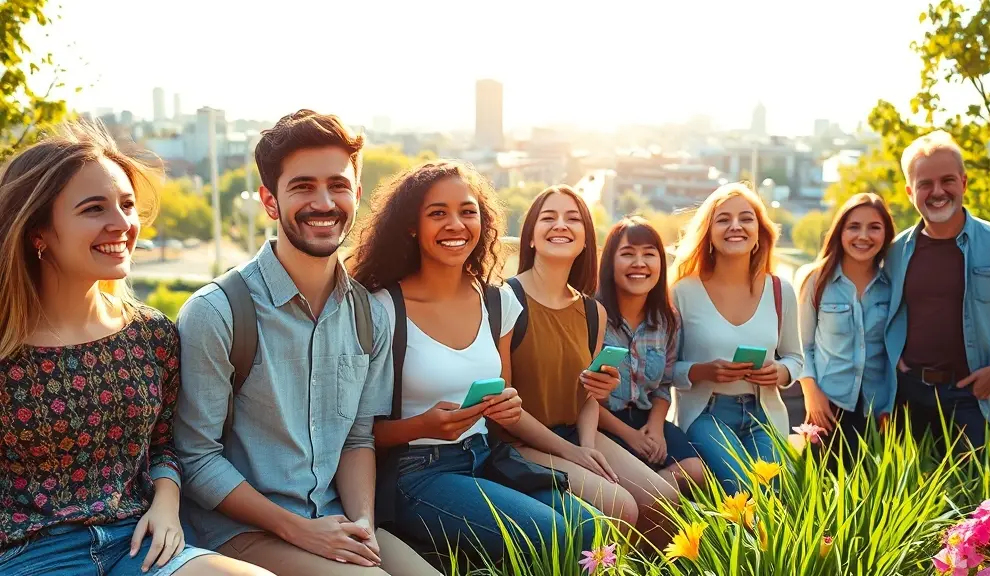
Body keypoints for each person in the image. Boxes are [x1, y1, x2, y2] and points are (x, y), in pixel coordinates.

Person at [173, 110, 436, 575]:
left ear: (356, 194)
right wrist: (298, 530)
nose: (323, 202)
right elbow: (196, 459)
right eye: (302, 187)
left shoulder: (369, 314)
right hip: (241, 533)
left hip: (333, 517)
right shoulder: (217, 312)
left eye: (337, 185)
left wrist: (363, 525)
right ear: (270, 201)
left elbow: (357, 438)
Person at [0, 122, 267, 576]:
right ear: (38, 232)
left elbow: (164, 445)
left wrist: (166, 502)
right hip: (29, 555)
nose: (122, 224)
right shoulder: (7, 349)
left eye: (126, 205)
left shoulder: (152, 335)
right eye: (93, 208)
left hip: (140, 540)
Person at [348, 161, 598, 563]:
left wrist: (513, 409)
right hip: (417, 471)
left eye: (467, 211)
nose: (455, 224)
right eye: (437, 213)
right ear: (412, 226)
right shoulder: (383, 309)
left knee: (591, 529)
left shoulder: (497, 302)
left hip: (487, 456)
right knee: (549, 534)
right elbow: (357, 434)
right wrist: (423, 425)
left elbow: (503, 407)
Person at [502, 185, 680, 547]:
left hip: (575, 434)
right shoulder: (505, 298)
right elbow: (504, 411)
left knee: (666, 502)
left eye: (572, 218)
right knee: (620, 506)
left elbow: (588, 395)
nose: (560, 225)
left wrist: (587, 444)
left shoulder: (591, 311)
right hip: (517, 444)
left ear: (585, 240)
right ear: (532, 236)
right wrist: (574, 453)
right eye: (548, 217)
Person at [884, 130, 990, 451]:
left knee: (977, 500)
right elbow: (877, 313)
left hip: (976, 398)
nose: (937, 192)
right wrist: (895, 361)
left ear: (964, 182)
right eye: (924, 184)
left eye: (947, 180)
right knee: (915, 500)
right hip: (909, 398)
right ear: (910, 191)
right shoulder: (894, 252)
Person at [668, 182, 803, 493]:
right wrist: (702, 371)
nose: (735, 226)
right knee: (742, 491)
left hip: (764, 413)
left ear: (759, 232)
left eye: (746, 218)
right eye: (723, 219)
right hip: (706, 413)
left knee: (773, 496)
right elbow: (664, 370)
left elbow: (795, 358)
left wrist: (779, 372)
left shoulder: (781, 290)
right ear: (709, 233)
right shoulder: (683, 292)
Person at [594, 217, 705, 491]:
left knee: (696, 471)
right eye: (628, 254)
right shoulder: (592, 315)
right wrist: (630, 436)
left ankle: (651, 499)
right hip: (602, 424)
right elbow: (581, 395)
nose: (639, 263)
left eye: (649, 254)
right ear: (610, 263)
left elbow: (664, 385)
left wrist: (655, 428)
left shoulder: (668, 320)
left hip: (646, 419)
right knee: (648, 486)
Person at [797, 193, 896, 453]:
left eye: (874, 227)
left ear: (886, 234)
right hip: (827, 409)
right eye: (854, 227)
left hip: (879, 413)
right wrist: (812, 395)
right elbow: (801, 346)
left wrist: (892, 405)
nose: (863, 236)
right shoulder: (815, 280)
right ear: (840, 231)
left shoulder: (893, 285)